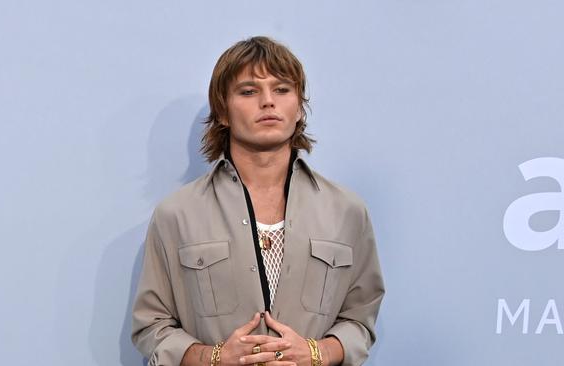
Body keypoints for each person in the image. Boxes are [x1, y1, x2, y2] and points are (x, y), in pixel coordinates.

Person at [132, 36, 384, 366]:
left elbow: (360, 319)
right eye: (249, 91)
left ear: (298, 108)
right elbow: (152, 327)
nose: (268, 102)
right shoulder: (177, 215)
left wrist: (315, 353)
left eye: (282, 90)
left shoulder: (347, 211)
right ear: (222, 111)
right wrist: (215, 357)